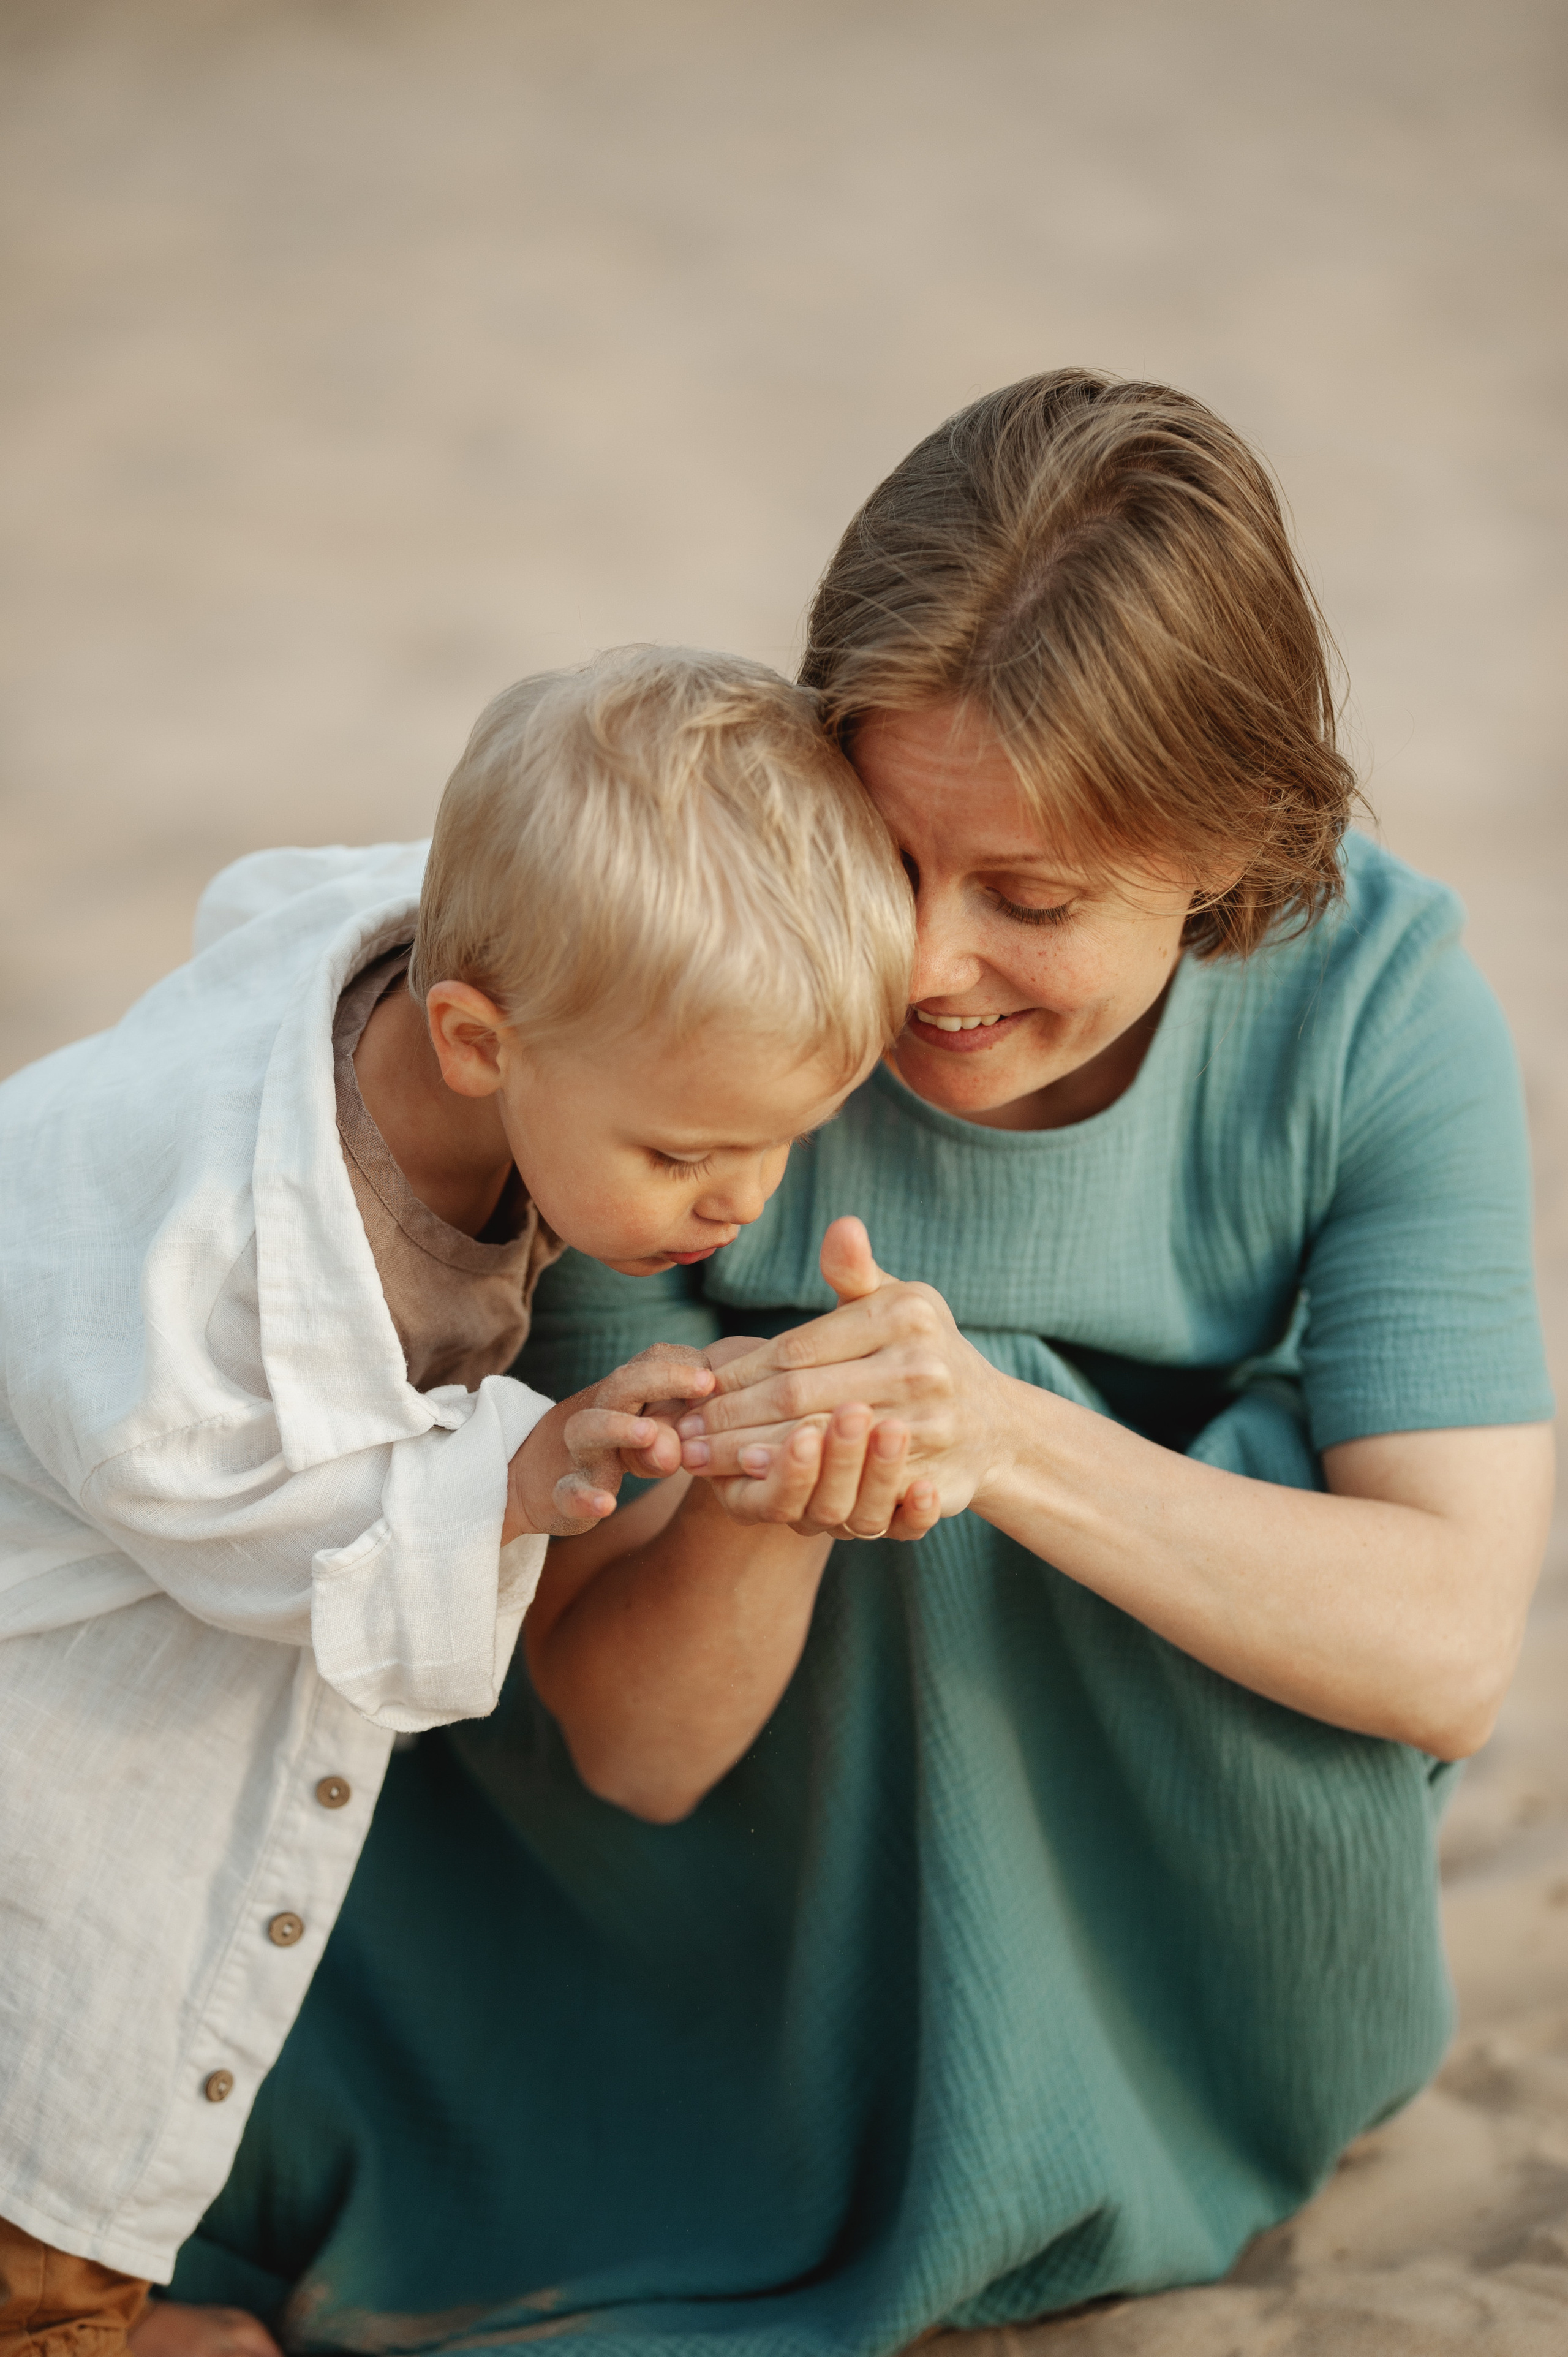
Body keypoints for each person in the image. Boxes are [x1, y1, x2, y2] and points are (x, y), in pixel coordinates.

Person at [159, 371, 1554, 2355]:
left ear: (1233, 854)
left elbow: (1449, 1645)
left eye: (1035, 898)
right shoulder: (714, 988)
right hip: (693, 1911)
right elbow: (627, 1749)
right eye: (892, 850)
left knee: (1122, 1451)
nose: (914, 963)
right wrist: (787, 1485)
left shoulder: (1384, 1013)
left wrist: (990, 1432)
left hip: (1170, 1925)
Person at [0, 647, 925, 2357]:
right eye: (679, 1155)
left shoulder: (511, 982)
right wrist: (511, 1476)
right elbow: (208, 1500)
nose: (736, 1201)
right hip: (46, 1672)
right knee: (42, 2107)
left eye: (779, 1146)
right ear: (476, 1040)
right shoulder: (210, 1233)